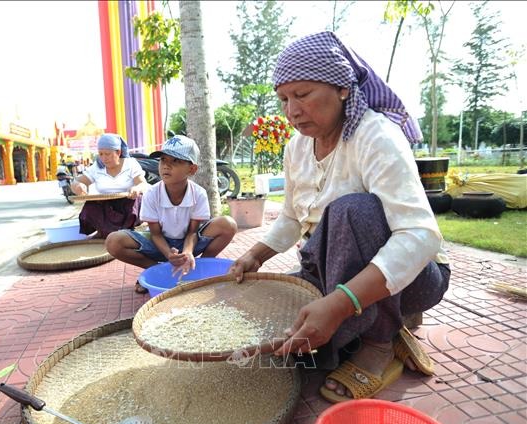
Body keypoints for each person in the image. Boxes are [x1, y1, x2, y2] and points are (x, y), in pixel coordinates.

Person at [229, 32, 450, 403]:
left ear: (343, 89)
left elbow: (419, 236)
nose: (292, 111)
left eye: (302, 94)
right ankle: (389, 325)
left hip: (418, 278)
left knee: (352, 210)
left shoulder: (376, 136)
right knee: (274, 321)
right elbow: (290, 217)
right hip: (333, 265)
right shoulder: (297, 147)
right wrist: (256, 255)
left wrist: (339, 303)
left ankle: (380, 342)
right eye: (284, 99)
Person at [106, 135, 238, 294]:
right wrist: (169, 255)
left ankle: (199, 266)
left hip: (190, 242)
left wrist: (188, 252)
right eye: (163, 159)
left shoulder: (199, 194)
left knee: (228, 224)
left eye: (176, 161)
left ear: (192, 169)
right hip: (160, 242)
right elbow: (155, 234)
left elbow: (192, 232)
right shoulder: (152, 194)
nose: (166, 166)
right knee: (114, 241)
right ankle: (157, 271)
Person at [72, 133, 149, 239]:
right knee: (90, 206)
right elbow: (77, 182)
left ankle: (128, 232)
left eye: (107, 154)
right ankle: (102, 231)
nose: (104, 158)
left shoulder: (130, 164)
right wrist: (78, 186)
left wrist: (137, 188)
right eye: (101, 154)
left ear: (118, 152)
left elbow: (142, 183)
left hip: (127, 203)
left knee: (136, 201)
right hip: (106, 205)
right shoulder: (97, 167)